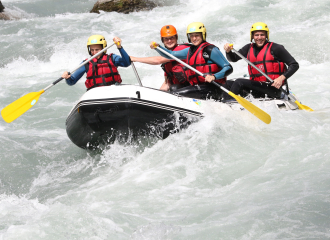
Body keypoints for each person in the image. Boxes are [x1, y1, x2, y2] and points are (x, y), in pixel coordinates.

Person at [150, 22, 233, 100]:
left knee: (176, 95)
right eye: (191, 36)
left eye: (197, 35)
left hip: (214, 88)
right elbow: (170, 54)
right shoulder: (190, 50)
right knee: (174, 88)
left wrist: (214, 77)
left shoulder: (210, 49)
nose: (194, 38)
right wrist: (158, 47)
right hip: (198, 87)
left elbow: (228, 68)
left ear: (203, 35)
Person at [223, 22, 299, 100]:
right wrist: (228, 51)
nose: (259, 38)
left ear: (266, 35)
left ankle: (229, 103)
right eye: (256, 35)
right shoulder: (248, 48)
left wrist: (280, 79)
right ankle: (225, 103)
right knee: (227, 83)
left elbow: (294, 65)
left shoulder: (276, 48)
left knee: (239, 82)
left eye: (262, 35)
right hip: (257, 88)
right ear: (252, 36)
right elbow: (233, 59)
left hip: (273, 89)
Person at [130, 25, 190, 91]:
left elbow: (158, 60)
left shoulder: (181, 49)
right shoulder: (167, 62)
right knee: (172, 88)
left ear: (176, 38)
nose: (169, 41)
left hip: (189, 87)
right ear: (162, 40)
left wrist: (135, 59)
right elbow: (167, 83)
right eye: (166, 39)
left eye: (172, 38)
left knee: (174, 88)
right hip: (178, 90)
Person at [62, 35, 131, 90]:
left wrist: (119, 47)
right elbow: (72, 82)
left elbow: (127, 63)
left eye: (97, 50)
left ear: (103, 48)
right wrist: (68, 78)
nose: (94, 53)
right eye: (92, 50)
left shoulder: (112, 58)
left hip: (113, 90)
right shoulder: (86, 63)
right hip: (95, 94)